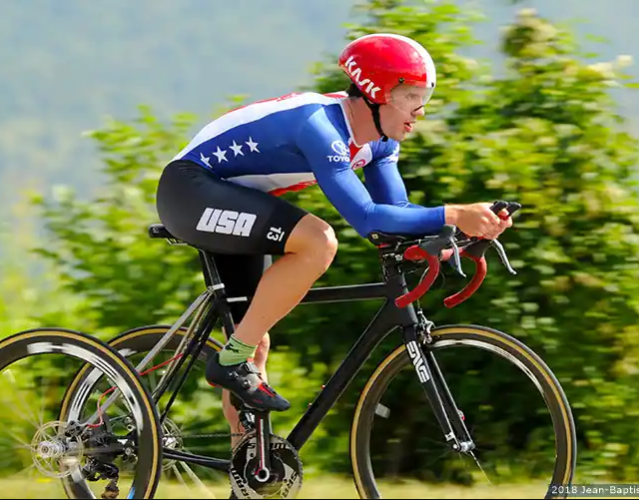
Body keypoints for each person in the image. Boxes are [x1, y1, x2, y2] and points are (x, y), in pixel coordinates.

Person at [155, 33, 513, 440]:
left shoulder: (379, 144)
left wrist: (449, 236)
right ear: (378, 93)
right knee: (318, 240)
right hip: (189, 191)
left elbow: (395, 218)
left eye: (425, 97)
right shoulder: (321, 127)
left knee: (254, 341)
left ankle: (249, 472)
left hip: (239, 199)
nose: (421, 111)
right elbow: (365, 218)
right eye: (412, 97)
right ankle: (229, 361)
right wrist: (453, 214)